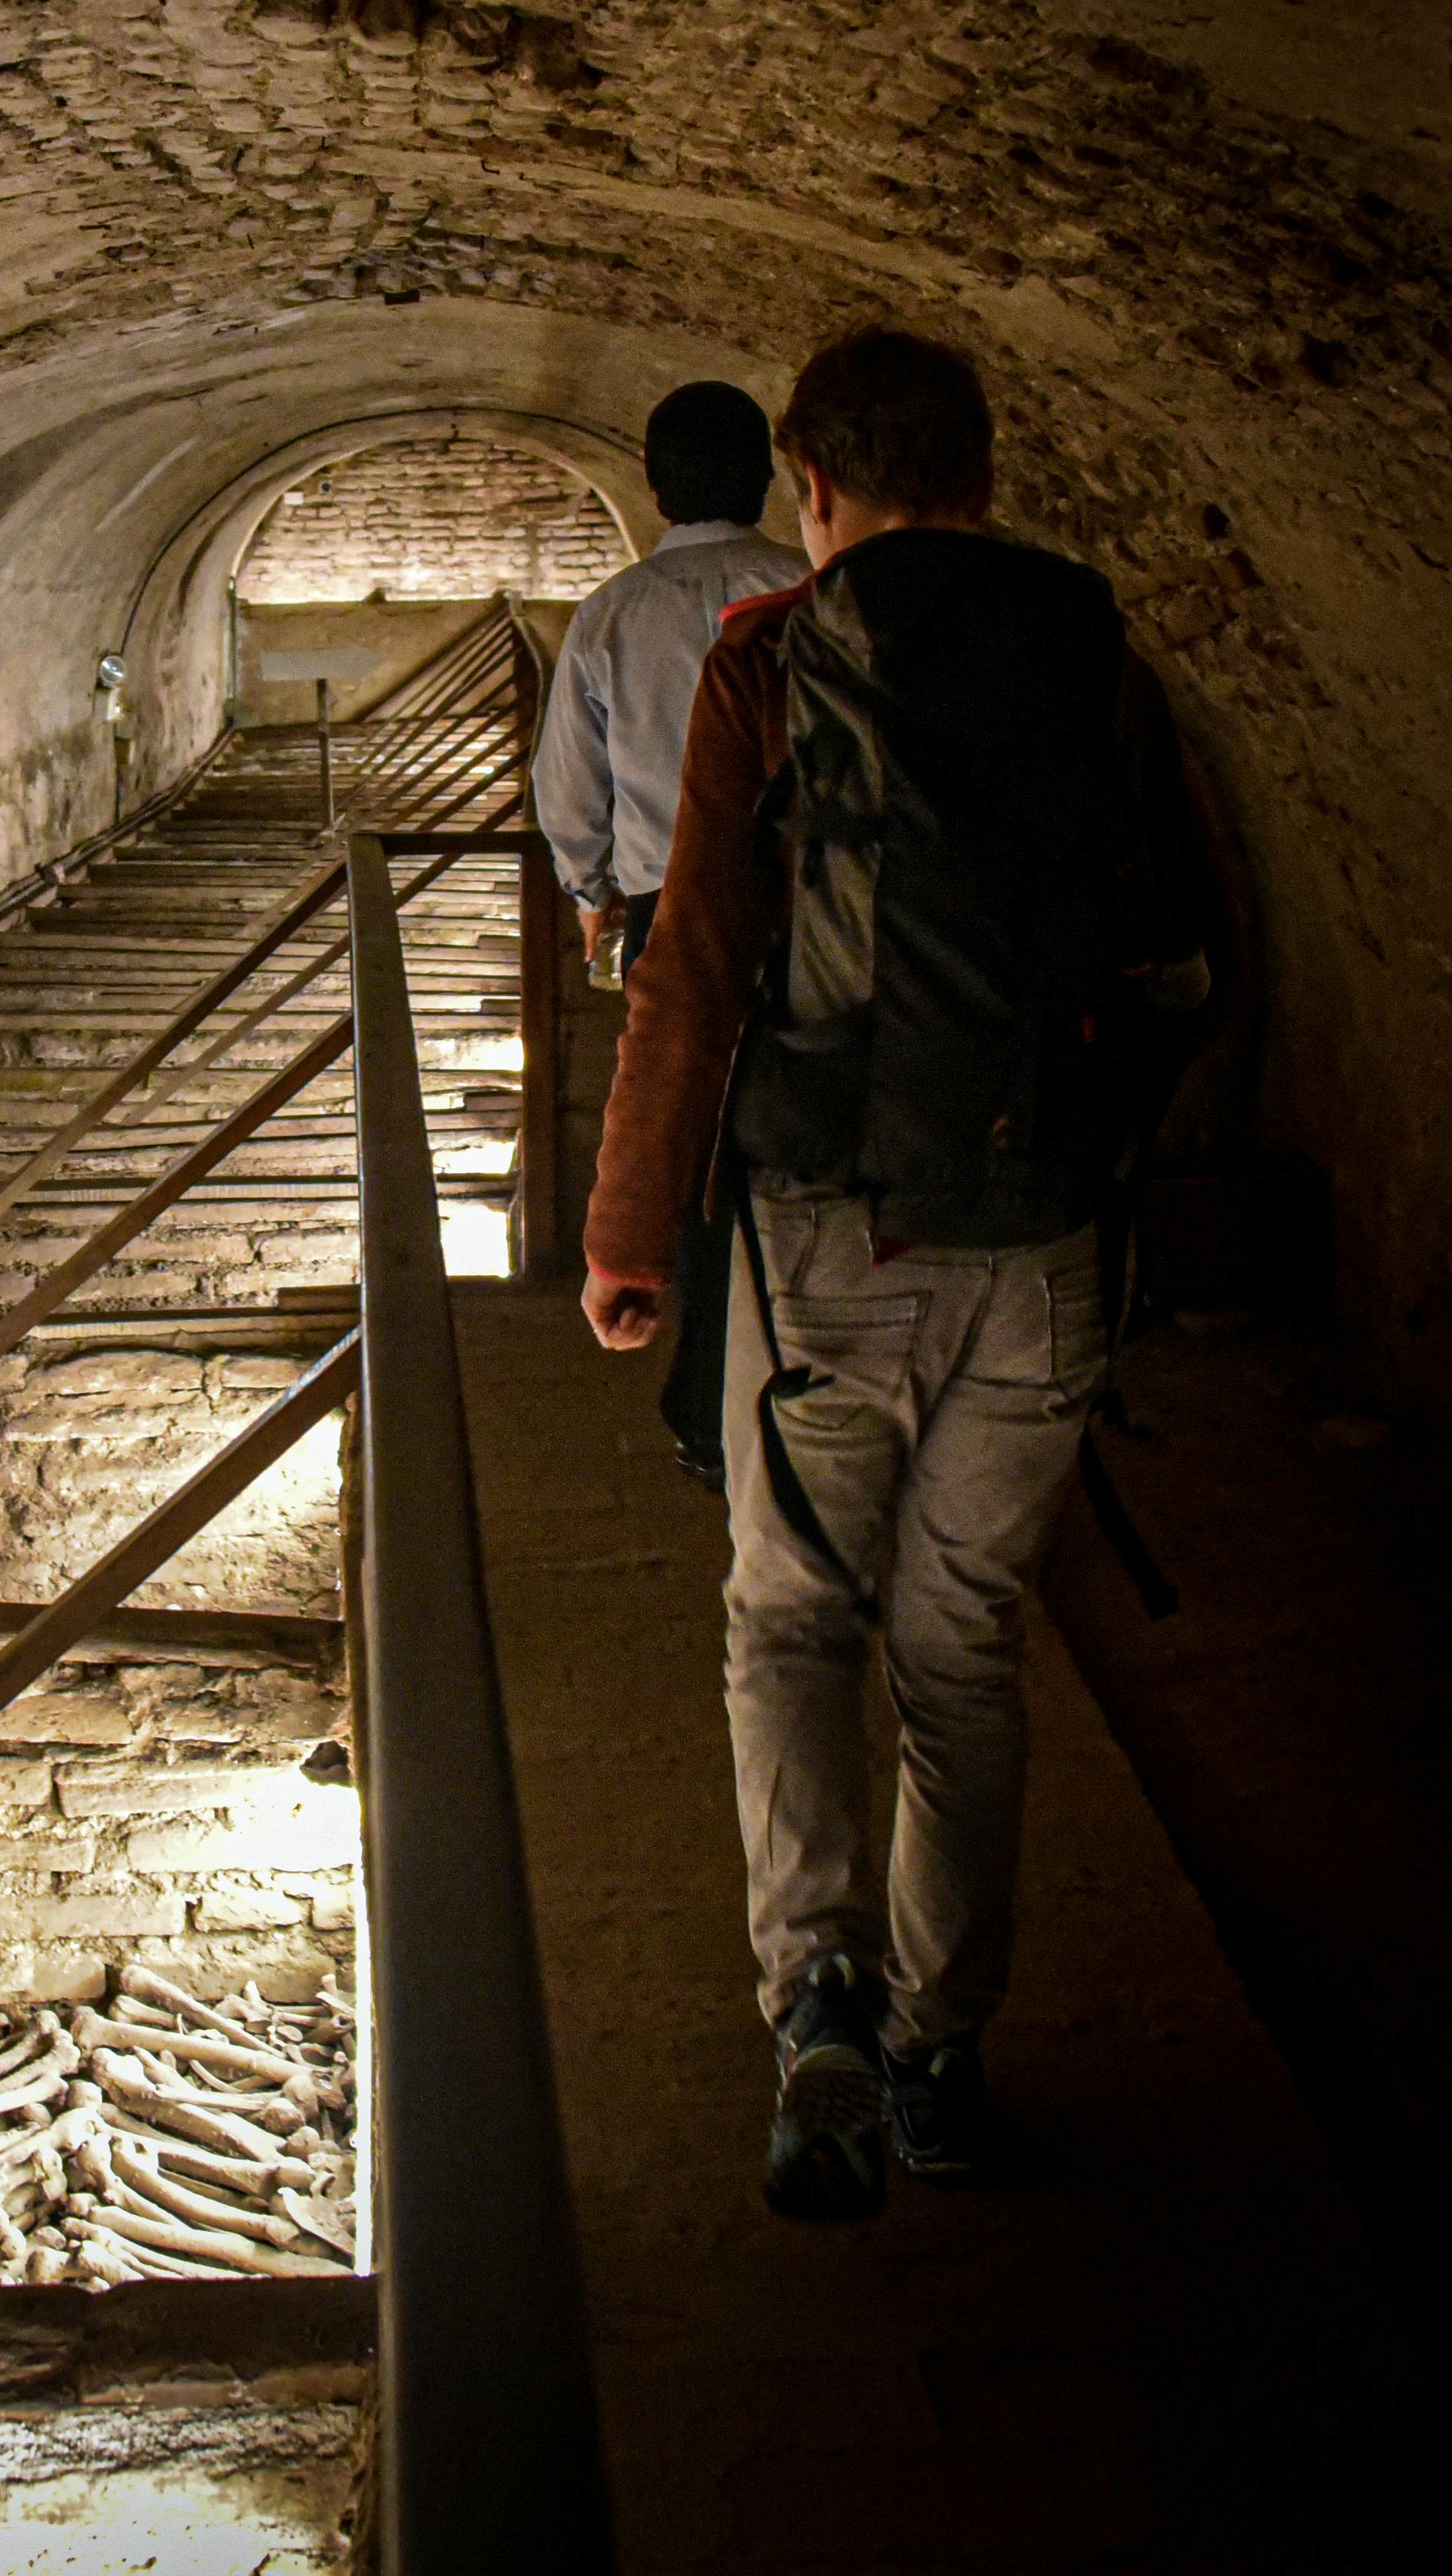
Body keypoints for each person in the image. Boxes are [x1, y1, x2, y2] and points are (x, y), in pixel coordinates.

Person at [578, 327, 1212, 2222]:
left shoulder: (769, 658)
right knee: (966, 1650)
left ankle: (819, 2000)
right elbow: (1190, 945)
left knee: (789, 1618)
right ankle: (945, 2052)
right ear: (987, 476)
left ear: (813, 486)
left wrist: (627, 1240)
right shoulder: (1095, 656)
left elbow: (691, 964)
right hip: (1043, 1257)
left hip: (824, 1226)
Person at [533, 380, 806, 1480]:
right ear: (772, 478)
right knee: (794, 1133)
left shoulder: (612, 613)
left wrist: (591, 889)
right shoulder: (809, 587)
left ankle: (710, 1397)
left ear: (651, 483)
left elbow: (570, 785)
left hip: (664, 902)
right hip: (807, 901)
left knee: (682, 1140)